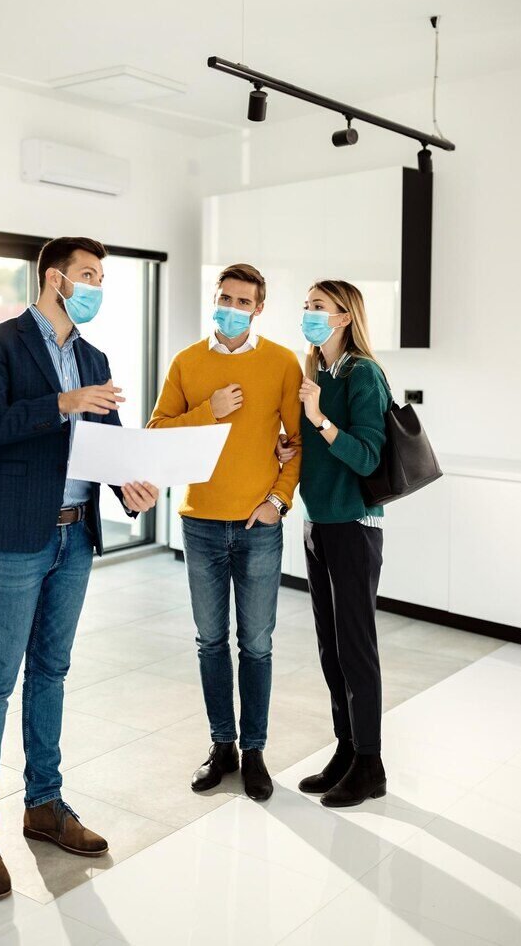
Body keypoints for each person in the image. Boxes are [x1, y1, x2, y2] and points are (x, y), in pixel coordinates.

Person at [0, 236, 158, 898]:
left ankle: (45, 805)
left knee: (52, 673)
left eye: (103, 276)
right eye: (89, 274)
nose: (97, 285)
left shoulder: (94, 356)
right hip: (17, 534)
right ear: (55, 278)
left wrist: (131, 482)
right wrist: (63, 404)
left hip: (76, 539)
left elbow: (107, 444)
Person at [148, 263, 302, 801]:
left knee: (255, 645)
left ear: (258, 308)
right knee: (210, 642)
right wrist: (206, 412)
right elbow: (156, 433)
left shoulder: (283, 362)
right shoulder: (187, 363)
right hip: (201, 524)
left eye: (243, 301)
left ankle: (255, 751)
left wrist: (277, 501)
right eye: (224, 298)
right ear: (214, 299)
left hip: (258, 524)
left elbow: (295, 442)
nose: (231, 308)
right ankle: (222, 746)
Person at [277, 279, 392, 808]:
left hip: (353, 525)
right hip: (318, 521)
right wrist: (291, 444)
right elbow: (317, 452)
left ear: (345, 317)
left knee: (356, 647)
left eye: (318, 307)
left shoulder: (362, 374)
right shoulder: (316, 373)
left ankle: (371, 763)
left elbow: (368, 456)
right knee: (330, 647)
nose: (309, 314)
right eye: (306, 306)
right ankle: (346, 751)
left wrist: (320, 418)